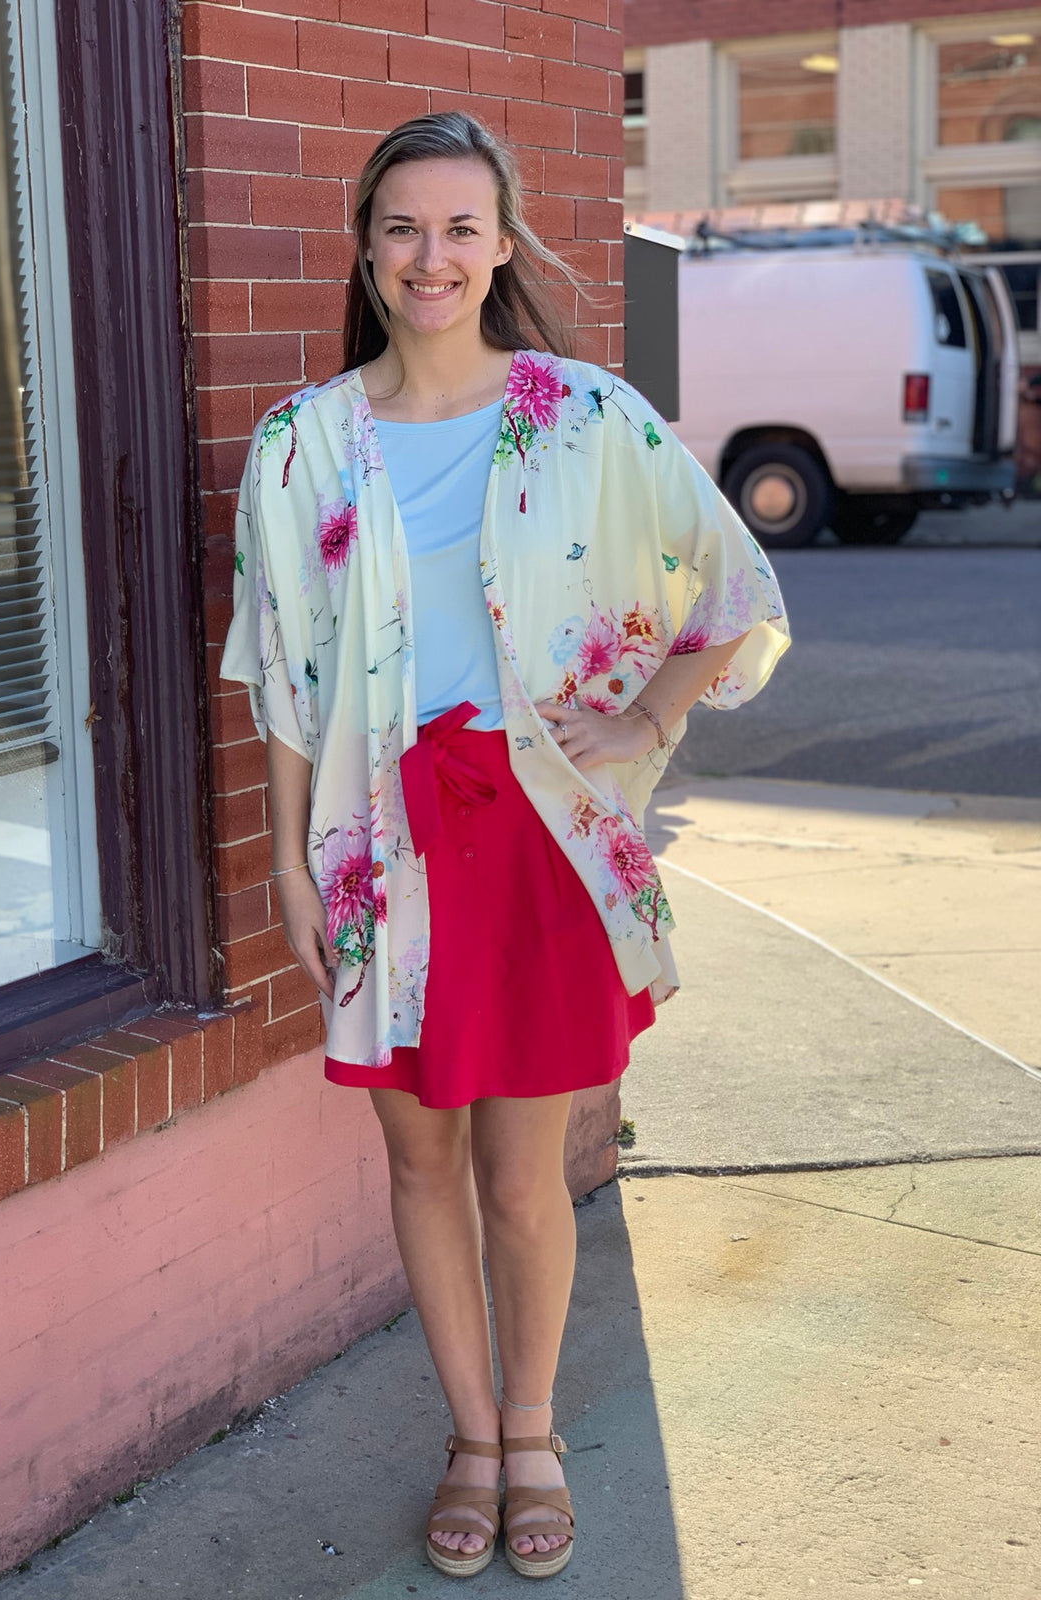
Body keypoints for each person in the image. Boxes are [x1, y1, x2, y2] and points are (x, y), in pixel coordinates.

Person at [220, 112, 789, 1581]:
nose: (433, 256)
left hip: (534, 840)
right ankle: (468, 1437)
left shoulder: (583, 415)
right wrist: (287, 862)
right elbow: (285, 676)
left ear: (504, 244)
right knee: (416, 1160)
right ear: (366, 244)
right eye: (405, 226)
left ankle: (531, 1432)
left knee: (522, 1173)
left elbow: (725, 575)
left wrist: (648, 715)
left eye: (463, 227)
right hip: (374, 852)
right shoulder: (300, 447)